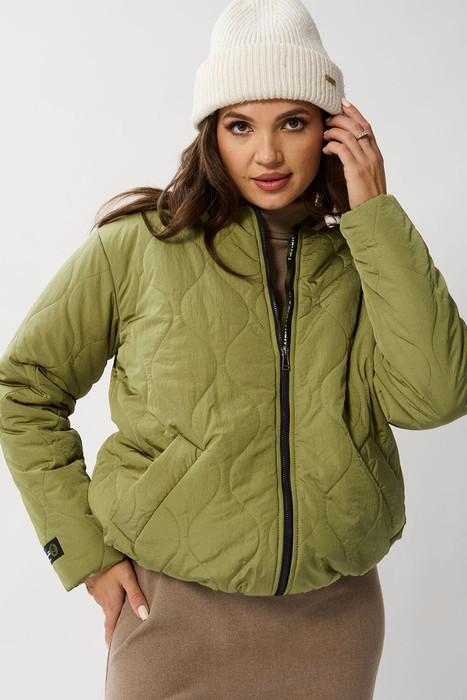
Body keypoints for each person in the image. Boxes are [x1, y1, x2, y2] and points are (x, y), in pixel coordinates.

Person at [0, 0, 466, 698]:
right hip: (169, 614)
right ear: (211, 134)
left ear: (332, 130)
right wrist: (87, 557)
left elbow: (436, 398)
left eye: (294, 122)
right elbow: (24, 389)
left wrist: (374, 214)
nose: (267, 154)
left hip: (332, 620)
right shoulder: (136, 248)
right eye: (240, 125)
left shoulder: (362, 260)